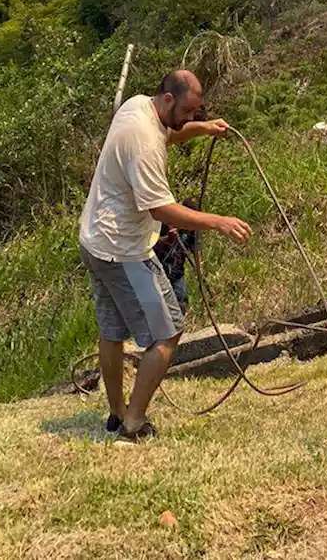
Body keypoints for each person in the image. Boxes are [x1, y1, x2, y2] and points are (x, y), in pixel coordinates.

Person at [79, 69, 249, 443]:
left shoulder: (138, 106)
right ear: (169, 99)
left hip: (94, 240)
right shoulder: (144, 143)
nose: (191, 118)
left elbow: (170, 132)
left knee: (112, 331)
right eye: (189, 111)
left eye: (196, 113)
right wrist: (219, 222)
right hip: (123, 251)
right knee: (167, 335)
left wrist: (203, 129)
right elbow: (160, 208)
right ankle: (133, 425)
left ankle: (115, 412)